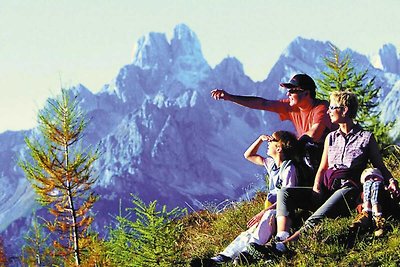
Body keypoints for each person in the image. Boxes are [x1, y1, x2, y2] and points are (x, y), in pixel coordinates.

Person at [244, 91, 400, 262]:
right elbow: (323, 167)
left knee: (318, 214)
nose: (328, 111)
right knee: (284, 193)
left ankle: (284, 247)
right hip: (326, 186)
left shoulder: (366, 138)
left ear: (345, 110)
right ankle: (281, 236)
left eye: (332, 107)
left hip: (348, 189)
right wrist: (317, 187)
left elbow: (380, 166)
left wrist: (391, 181)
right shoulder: (331, 137)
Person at [206, 131, 300, 265]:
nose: (268, 143)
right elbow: (248, 155)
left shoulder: (289, 169)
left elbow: (289, 197)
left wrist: (264, 211)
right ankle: (224, 256)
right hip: (270, 209)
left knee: (266, 219)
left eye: (271, 140)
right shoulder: (271, 164)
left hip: (281, 212)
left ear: (279, 148)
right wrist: (260, 139)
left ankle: (248, 253)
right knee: (249, 232)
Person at [211, 73, 333, 173]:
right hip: (307, 154)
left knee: (309, 149)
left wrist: (290, 145)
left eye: (292, 91)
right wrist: (229, 97)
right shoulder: (291, 107)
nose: (288, 94)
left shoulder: (321, 107)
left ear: (306, 93)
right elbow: (262, 104)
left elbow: (314, 133)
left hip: (326, 156)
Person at [350, 167, 398, 237]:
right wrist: (362, 206)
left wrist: (391, 191)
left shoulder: (384, 188)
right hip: (366, 209)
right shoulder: (362, 194)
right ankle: (366, 216)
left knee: (376, 185)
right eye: (368, 178)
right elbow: (358, 204)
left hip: (383, 208)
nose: (372, 180)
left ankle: (378, 219)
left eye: (375, 177)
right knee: (369, 186)